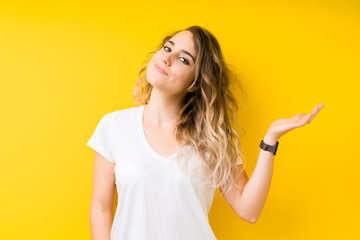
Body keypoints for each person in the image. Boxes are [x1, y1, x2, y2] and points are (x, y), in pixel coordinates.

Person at [86, 25, 324, 240]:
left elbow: (249, 210)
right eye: (167, 48)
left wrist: (270, 139)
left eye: (183, 59)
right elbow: (101, 207)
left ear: (196, 82)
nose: (166, 58)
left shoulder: (211, 138)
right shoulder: (114, 125)